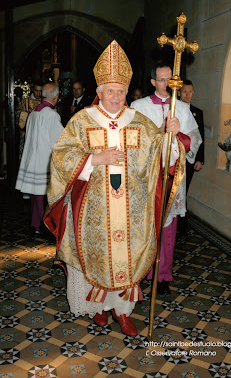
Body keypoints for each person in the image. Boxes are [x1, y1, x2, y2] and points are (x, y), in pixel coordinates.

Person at [44, 40, 185, 337]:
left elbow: (157, 154)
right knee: (96, 257)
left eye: (121, 91)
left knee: (127, 257)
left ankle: (122, 312)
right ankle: (99, 310)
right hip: (94, 209)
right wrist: (95, 158)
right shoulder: (83, 121)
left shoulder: (139, 121)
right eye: (111, 91)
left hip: (131, 208)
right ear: (99, 92)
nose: (116, 97)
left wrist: (168, 135)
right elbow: (61, 156)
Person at [131, 64, 202, 296]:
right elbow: (133, 142)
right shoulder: (138, 107)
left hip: (172, 176)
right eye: (161, 80)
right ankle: (143, 272)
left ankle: (162, 275)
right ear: (153, 82)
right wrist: (160, 131)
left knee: (168, 229)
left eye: (170, 80)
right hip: (147, 177)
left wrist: (179, 133)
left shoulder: (182, 108)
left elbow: (195, 139)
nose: (166, 84)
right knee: (145, 227)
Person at [15, 83, 63, 235]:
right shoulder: (51, 115)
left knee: (36, 196)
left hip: (33, 158)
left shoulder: (34, 112)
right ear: (56, 97)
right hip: (45, 160)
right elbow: (60, 140)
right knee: (46, 196)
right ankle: (45, 226)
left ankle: (35, 224)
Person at [178, 79, 205, 235]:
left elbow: (201, 138)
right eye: (185, 91)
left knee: (184, 189)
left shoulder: (197, 112)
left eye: (190, 91)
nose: (188, 95)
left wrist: (200, 159)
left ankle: (182, 223)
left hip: (191, 158)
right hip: (175, 158)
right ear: (180, 93)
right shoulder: (173, 109)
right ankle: (180, 222)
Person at [16, 82, 43, 161]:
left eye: (40, 91)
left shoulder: (45, 102)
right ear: (32, 90)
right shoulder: (25, 102)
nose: (38, 94)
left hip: (41, 136)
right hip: (28, 135)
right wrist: (31, 115)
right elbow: (18, 114)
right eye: (36, 91)